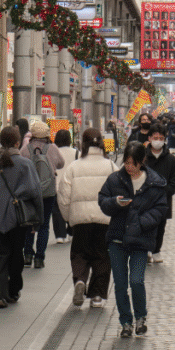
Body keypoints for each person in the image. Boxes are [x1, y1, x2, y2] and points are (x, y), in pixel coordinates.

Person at [99, 141, 169, 338]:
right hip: (117, 239)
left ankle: (140, 317)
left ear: (142, 162)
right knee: (120, 283)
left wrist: (142, 222)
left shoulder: (154, 183)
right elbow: (102, 201)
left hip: (140, 240)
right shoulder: (115, 180)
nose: (129, 167)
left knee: (136, 280)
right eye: (127, 163)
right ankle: (126, 322)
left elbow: (161, 209)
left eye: (134, 163)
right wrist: (115, 202)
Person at [0, 126, 43, 309]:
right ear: (17, 142)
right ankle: (13, 290)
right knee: (16, 254)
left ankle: (1, 294)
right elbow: (36, 193)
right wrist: (38, 220)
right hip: (17, 220)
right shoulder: (25, 165)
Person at [57, 128, 116, 308]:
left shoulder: (74, 167)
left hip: (80, 219)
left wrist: (69, 218)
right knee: (102, 257)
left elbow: (64, 195)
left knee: (79, 254)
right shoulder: (111, 166)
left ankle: (80, 280)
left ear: (83, 144)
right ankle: (97, 296)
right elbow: (120, 192)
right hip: (104, 219)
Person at [21, 120, 66, 269]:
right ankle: (39, 258)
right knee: (44, 224)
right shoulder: (52, 148)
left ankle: (27, 254)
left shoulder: (26, 149)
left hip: (29, 192)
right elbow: (61, 163)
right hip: (48, 192)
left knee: (28, 223)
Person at [144, 122, 175, 264]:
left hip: (163, 199)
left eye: (161, 138)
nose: (158, 140)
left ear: (164, 139)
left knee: (160, 226)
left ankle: (156, 250)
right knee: (146, 225)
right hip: (145, 198)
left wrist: (164, 192)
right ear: (150, 138)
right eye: (155, 137)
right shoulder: (143, 157)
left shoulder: (170, 159)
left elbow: (174, 181)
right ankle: (146, 249)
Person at [51, 129, 76, 244]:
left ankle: (60, 235)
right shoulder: (76, 152)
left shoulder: (53, 152)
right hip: (72, 186)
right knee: (72, 210)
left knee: (57, 211)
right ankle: (71, 232)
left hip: (56, 185)